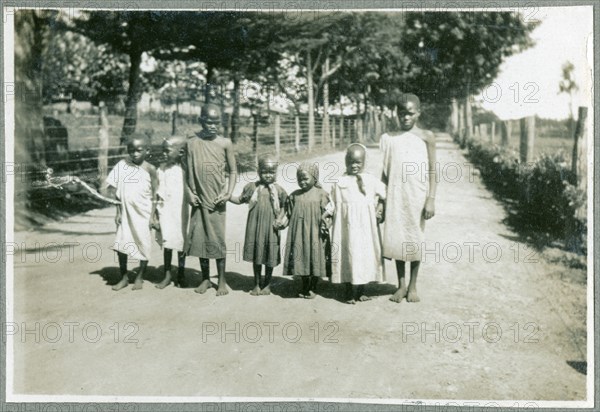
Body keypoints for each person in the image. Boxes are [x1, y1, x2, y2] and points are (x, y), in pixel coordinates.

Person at [380, 93, 437, 303]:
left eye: (410, 113)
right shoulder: (389, 138)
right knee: (397, 238)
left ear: (418, 113)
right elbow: (384, 173)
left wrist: (431, 198)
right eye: (401, 113)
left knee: (414, 238)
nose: (405, 117)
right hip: (396, 195)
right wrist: (381, 200)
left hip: (416, 196)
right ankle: (401, 285)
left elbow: (432, 171)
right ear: (396, 114)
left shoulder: (426, 137)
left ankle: (413, 285)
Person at [185, 104, 237, 296]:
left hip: (217, 200)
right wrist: (189, 192)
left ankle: (221, 280)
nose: (213, 125)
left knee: (217, 239)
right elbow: (185, 170)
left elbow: (233, 171)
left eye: (217, 122)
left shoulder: (225, 143)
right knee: (200, 239)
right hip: (198, 198)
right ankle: (205, 279)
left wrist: (228, 193)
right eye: (209, 121)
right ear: (201, 121)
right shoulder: (192, 142)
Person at [325, 143, 387, 304]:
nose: (354, 165)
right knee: (347, 255)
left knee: (363, 256)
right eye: (351, 162)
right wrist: (327, 214)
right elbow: (332, 201)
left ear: (364, 162)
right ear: (346, 162)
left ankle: (360, 291)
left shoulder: (370, 180)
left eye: (358, 162)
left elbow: (385, 193)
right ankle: (348, 292)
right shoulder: (339, 181)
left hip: (365, 227)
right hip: (345, 228)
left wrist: (380, 206)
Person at [229, 154, 288, 296]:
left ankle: (267, 284)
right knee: (256, 254)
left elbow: (286, 205)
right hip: (254, 227)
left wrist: (280, 219)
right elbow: (239, 199)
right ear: (258, 171)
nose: (268, 175)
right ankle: (256, 284)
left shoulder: (279, 190)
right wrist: (227, 196)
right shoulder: (252, 188)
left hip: (271, 228)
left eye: (271, 172)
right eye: (264, 172)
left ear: (276, 172)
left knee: (270, 254)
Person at [106, 132, 158, 291]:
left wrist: (152, 216)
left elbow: (155, 195)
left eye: (138, 150)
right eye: (131, 150)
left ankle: (140, 276)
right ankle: (123, 277)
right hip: (126, 212)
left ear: (147, 150)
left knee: (143, 243)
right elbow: (116, 192)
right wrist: (118, 212)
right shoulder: (122, 165)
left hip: (143, 213)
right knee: (122, 243)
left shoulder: (151, 169)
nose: (134, 154)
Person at [282, 162, 333, 299]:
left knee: (315, 257)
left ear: (315, 178)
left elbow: (330, 213)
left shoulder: (322, 194)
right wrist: (282, 224)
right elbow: (288, 214)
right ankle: (305, 285)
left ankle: (313, 286)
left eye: (305, 178)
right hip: (299, 234)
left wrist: (327, 225)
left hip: (316, 234)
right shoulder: (294, 196)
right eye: (299, 179)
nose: (302, 182)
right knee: (302, 259)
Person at [154, 135, 190, 289]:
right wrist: (155, 215)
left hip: (181, 211)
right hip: (166, 211)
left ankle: (181, 273)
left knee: (182, 240)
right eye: (162, 151)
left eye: (167, 151)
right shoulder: (161, 169)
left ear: (180, 152)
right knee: (167, 240)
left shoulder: (186, 170)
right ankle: (167, 274)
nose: (164, 154)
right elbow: (156, 193)